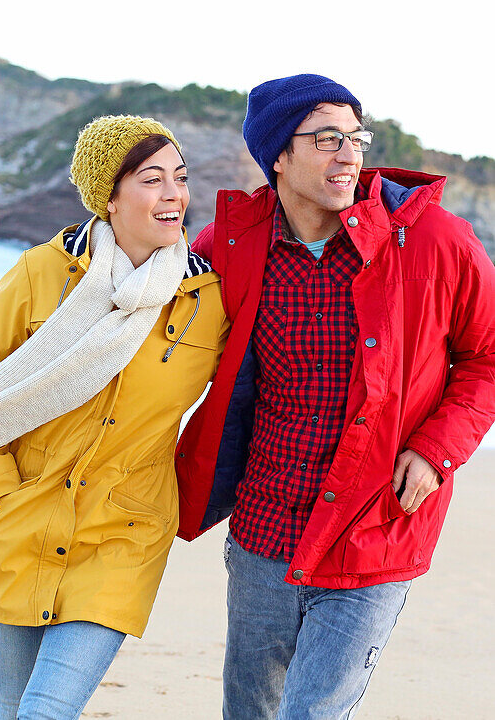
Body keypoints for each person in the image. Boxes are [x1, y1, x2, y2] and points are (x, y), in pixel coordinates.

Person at [175, 74, 495, 719]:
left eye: (355, 136)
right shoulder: (232, 246)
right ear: (278, 157)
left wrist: (436, 451)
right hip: (264, 523)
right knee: (251, 708)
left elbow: (486, 358)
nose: (349, 153)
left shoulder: (436, 241)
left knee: (312, 712)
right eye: (325, 138)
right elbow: (154, 330)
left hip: (376, 524)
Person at [0, 114, 228, 719]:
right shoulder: (44, 273)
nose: (174, 194)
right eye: (152, 179)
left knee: (45, 714)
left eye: (180, 177)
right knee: (8, 711)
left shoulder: (208, 302)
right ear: (110, 196)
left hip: (122, 534)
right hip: (25, 517)